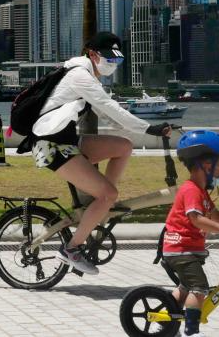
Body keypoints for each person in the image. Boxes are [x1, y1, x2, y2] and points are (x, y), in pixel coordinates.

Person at [30, 31, 171, 275]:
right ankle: (71, 249)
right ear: (92, 54)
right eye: (109, 58)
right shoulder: (79, 75)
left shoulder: (88, 77)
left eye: (117, 60)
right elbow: (109, 106)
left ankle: (103, 204)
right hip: (52, 146)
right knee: (108, 194)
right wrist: (149, 128)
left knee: (123, 146)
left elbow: (108, 116)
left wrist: (148, 128)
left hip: (68, 141)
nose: (113, 64)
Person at [161, 130, 219, 337]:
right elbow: (195, 218)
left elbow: (214, 214)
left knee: (185, 288)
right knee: (199, 288)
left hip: (186, 249)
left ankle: (165, 326)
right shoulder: (191, 190)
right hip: (180, 249)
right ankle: (191, 332)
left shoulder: (201, 191)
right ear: (206, 164)